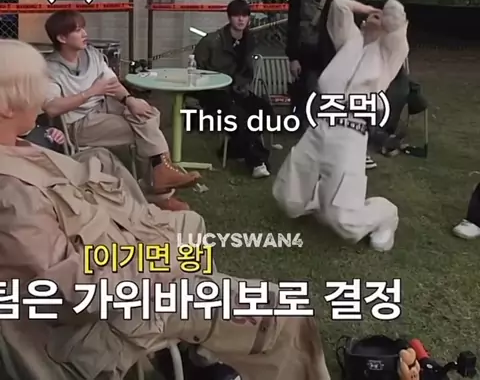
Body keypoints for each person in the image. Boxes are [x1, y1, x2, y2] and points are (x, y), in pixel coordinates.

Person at [0, 38, 331, 380]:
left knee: (189, 224)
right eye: (37, 83)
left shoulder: (23, 149)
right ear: (7, 105)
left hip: (125, 276)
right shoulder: (11, 193)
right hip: (107, 320)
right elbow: (63, 291)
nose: (45, 93)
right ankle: (196, 341)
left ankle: (194, 351)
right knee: (283, 313)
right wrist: (159, 264)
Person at [273, 0, 409, 252]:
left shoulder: (388, 54)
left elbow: (397, 27)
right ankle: (321, 198)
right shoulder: (350, 41)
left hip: (350, 134)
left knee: (344, 222)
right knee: (289, 200)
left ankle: (385, 214)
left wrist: (388, 16)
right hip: (320, 125)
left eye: (381, 17)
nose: (376, 18)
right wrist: (367, 8)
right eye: (372, 15)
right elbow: (338, 5)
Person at [42, 9, 200, 212]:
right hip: (79, 122)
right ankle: (159, 190)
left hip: (104, 105)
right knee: (145, 131)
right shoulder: (50, 69)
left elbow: (113, 83)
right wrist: (91, 92)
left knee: (147, 114)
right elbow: (51, 108)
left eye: (84, 28)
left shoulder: (91, 54)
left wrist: (129, 100)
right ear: (62, 38)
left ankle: (160, 176)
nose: (85, 33)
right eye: (78, 30)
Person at [286, 0, 376, 170]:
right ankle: (314, 149)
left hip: (339, 52)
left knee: (344, 101)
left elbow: (355, 21)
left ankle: (352, 148)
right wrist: (293, 57)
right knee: (313, 97)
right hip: (310, 53)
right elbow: (292, 26)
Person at [194, 0, 273, 179]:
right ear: (229, 18)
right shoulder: (212, 41)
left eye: (244, 15)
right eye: (237, 15)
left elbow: (248, 71)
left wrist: (240, 85)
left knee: (264, 111)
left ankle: (234, 149)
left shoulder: (249, 40)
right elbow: (197, 70)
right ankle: (257, 162)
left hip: (238, 90)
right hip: (215, 93)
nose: (241, 19)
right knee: (239, 116)